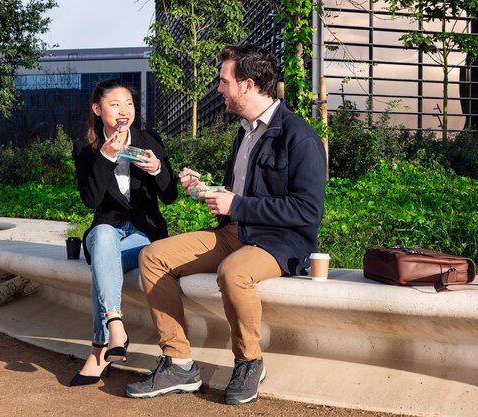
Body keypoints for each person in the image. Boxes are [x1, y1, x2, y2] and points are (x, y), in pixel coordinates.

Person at [125, 44, 327, 404]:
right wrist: (204, 190)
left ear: (248, 85)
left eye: (224, 81)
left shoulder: (300, 137)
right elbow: (238, 195)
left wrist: (238, 203)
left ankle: (250, 361)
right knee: (154, 256)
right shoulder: (244, 131)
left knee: (233, 273)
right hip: (235, 231)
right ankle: (179, 362)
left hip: (278, 243)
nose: (219, 89)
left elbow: (307, 210)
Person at [70, 78, 178, 386]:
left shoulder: (149, 139)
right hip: (107, 228)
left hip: (144, 232)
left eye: (129, 104)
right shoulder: (86, 148)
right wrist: (105, 157)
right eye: (115, 104)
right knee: (103, 237)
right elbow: (90, 200)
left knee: (104, 263)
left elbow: (170, 195)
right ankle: (115, 322)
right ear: (97, 109)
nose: (124, 110)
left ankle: (100, 347)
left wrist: (157, 170)